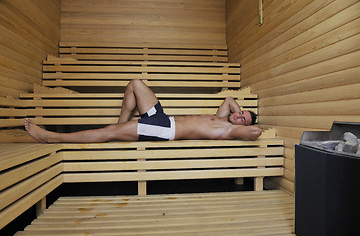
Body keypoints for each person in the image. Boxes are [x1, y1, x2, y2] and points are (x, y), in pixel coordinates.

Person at [24, 79, 262, 143]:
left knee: (107, 132)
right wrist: (240, 115)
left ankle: (51, 137)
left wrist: (242, 127)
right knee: (136, 84)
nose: (238, 115)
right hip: (162, 119)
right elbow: (230, 99)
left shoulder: (228, 131)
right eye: (241, 113)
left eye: (242, 119)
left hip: (164, 130)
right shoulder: (222, 118)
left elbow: (256, 132)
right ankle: (121, 127)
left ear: (242, 127)